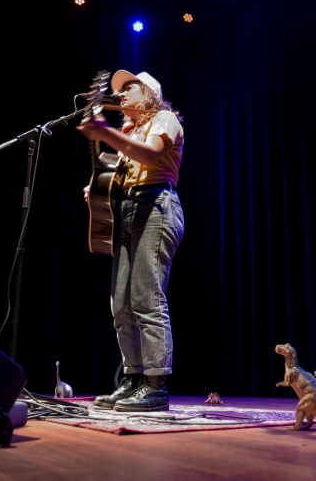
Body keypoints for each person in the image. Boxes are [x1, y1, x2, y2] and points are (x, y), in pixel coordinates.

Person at [76, 70, 185, 412]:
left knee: (146, 297)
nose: (120, 94)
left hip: (155, 205)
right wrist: (97, 190)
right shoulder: (127, 133)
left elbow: (150, 156)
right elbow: (115, 176)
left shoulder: (165, 119)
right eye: (119, 90)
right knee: (121, 305)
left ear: (150, 95)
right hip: (127, 211)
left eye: (130, 88)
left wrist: (106, 133)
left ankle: (156, 385)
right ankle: (133, 379)